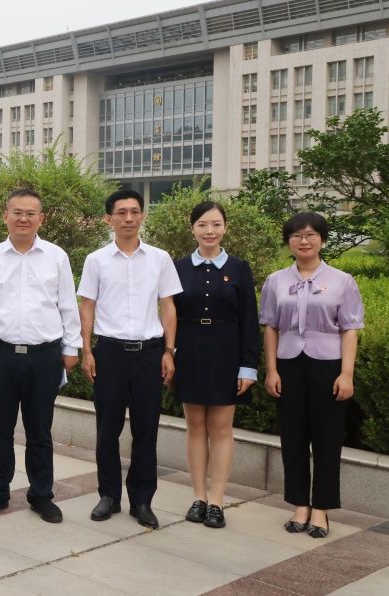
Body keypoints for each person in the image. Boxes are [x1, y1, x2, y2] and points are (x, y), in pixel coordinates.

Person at [0, 188, 81, 523]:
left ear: (41, 219)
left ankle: (41, 494)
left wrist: (71, 348)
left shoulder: (56, 257)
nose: (23, 219)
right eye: (17, 212)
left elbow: (68, 305)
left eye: (31, 213)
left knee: (40, 431)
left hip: (44, 356)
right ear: (6, 216)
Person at [78, 189, 182, 530]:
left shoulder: (160, 259)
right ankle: (108, 495)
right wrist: (87, 350)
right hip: (109, 353)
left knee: (146, 429)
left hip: (150, 353)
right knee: (107, 429)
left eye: (134, 211)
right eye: (121, 212)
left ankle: (142, 500)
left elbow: (168, 306)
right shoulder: (96, 260)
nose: (128, 218)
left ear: (143, 216)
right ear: (109, 219)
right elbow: (87, 306)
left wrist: (169, 350)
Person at [261, 212, 363, 539]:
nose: (303, 241)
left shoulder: (342, 281)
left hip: (328, 366)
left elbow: (349, 329)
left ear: (322, 239)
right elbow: (271, 327)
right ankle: (300, 505)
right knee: (292, 437)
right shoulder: (276, 281)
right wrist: (272, 370)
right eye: (296, 235)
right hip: (288, 364)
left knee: (327, 438)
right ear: (288, 241)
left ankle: (321, 507)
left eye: (310, 235)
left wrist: (346, 373)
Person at [171, 201, 259, 529]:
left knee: (221, 428)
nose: (210, 231)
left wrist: (248, 366)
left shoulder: (238, 267)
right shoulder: (178, 267)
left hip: (226, 351)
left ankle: (218, 501)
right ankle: (198, 497)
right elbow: (169, 315)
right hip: (189, 351)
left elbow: (250, 319)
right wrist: (169, 354)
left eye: (216, 224)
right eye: (203, 225)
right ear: (192, 228)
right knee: (195, 426)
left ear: (225, 227)